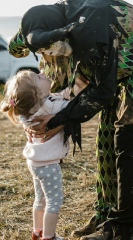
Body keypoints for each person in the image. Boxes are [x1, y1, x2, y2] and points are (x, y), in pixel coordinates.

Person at [8, 0, 133, 239]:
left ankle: (121, 229)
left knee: (130, 140)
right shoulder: (36, 21)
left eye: (52, 49)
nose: (50, 56)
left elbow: (102, 91)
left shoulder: (90, 30)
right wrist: (32, 116)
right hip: (106, 71)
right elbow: (18, 49)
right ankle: (104, 216)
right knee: (105, 142)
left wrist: (59, 119)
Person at [0, 70, 84, 240]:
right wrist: (81, 84)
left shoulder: (28, 111)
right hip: (48, 164)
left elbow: (60, 95)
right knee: (54, 202)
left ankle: (37, 232)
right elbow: (72, 103)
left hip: (35, 163)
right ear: (39, 93)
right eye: (39, 77)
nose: (43, 73)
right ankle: (49, 236)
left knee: (40, 199)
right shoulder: (50, 107)